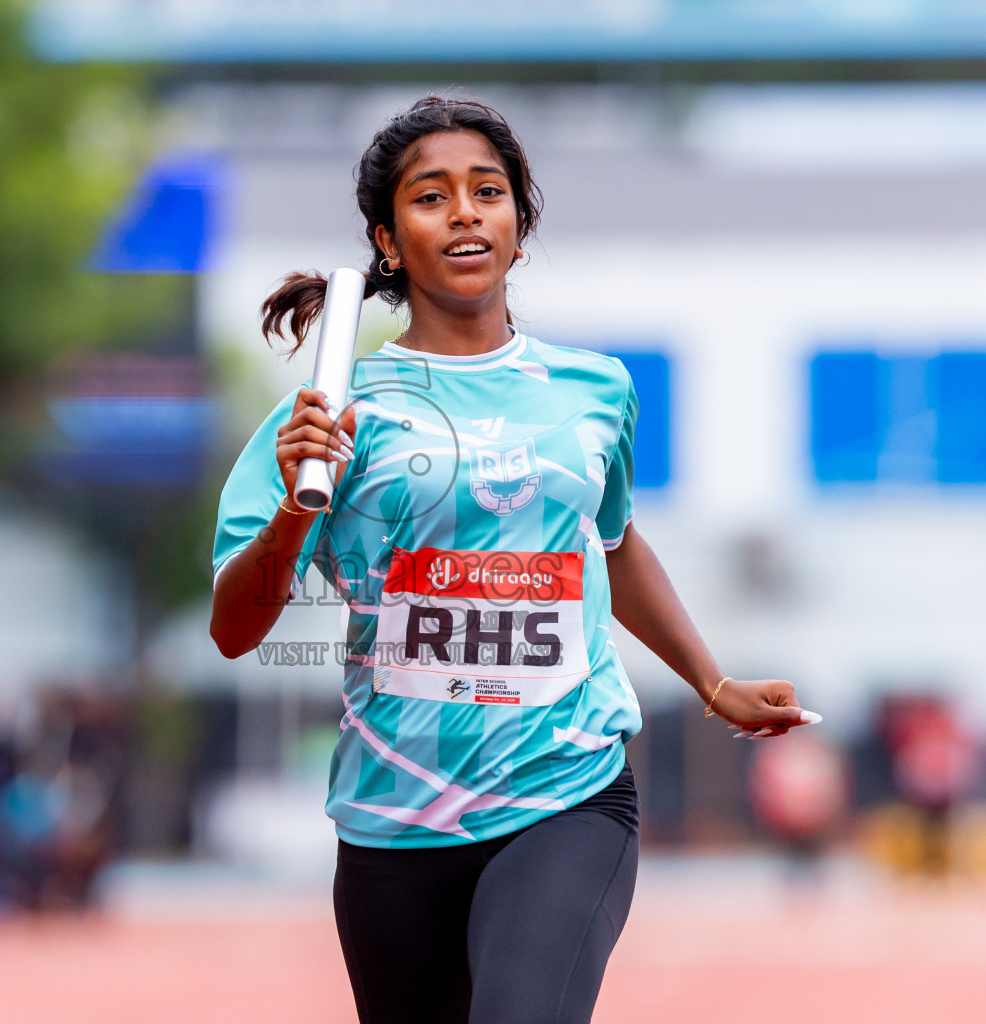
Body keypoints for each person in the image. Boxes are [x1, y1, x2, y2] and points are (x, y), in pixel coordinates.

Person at [209, 95, 822, 1024]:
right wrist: (296, 510)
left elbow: (612, 542)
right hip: (393, 818)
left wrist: (712, 682)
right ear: (386, 239)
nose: (463, 212)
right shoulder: (335, 415)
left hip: (564, 792)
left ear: (518, 226)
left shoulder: (593, 390)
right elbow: (233, 628)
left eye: (487, 192)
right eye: (431, 197)